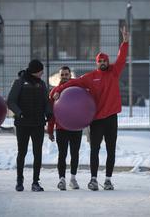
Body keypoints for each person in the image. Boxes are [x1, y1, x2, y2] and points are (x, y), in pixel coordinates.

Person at [53, 26, 129, 191]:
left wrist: (125, 42)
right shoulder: (90, 77)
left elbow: (122, 58)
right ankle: (93, 179)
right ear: (97, 63)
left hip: (111, 118)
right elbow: (72, 82)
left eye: (105, 60)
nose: (102, 63)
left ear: (108, 62)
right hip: (96, 120)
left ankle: (108, 180)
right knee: (95, 149)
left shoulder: (114, 72)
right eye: (100, 61)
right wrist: (58, 90)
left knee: (110, 150)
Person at [7, 59, 52, 192]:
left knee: (37, 153)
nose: (42, 73)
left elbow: (47, 101)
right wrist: (19, 113)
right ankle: (19, 181)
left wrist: (48, 113)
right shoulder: (19, 82)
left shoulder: (42, 84)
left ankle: (35, 182)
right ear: (34, 71)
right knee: (22, 152)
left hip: (38, 123)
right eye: (40, 71)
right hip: (23, 124)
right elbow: (11, 101)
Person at [47, 66, 83, 191]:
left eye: (66, 74)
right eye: (62, 75)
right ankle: (61, 179)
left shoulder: (77, 89)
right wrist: (50, 130)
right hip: (61, 128)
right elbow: (51, 113)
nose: (64, 77)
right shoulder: (54, 92)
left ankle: (73, 179)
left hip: (76, 128)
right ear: (59, 76)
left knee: (75, 154)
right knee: (62, 154)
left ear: (70, 75)